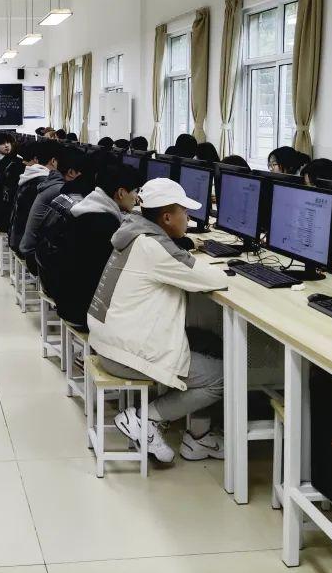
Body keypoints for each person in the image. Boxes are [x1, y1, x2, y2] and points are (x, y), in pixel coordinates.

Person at [88, 178, 229, 463]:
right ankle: (145, 418)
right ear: (166, 217)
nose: (188, 218)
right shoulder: (154, 247)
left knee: (208, 343)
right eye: (184, 212)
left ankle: (198, 439)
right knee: (223, 376)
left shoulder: (134, 232)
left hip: (109, 340)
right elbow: (214, 279)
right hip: (126, 353)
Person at [41, 164, 143, 331]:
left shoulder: (87, 209)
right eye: (136, 191)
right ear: (121, 193)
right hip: (81, 312)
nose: (137, 198)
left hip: (66, 301)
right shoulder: (105, 224)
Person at [19, 148, 84, 262]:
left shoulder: (52, 181)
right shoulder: (60, 189)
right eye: (81, 172)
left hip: (29, 247)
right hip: (33, 254)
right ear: (71, 172)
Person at [9, 142, 57, 253]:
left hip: (16, 237)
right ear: (53, 161)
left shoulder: (29, 175)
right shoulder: (43, 182)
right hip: (25, 247)